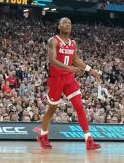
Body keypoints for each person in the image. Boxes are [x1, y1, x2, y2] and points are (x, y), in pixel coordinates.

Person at [37, 17, 102, 151]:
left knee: (79, 106)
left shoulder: (73, 43)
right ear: (58, 26)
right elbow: (53, 61)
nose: (68, 25)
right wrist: (70, 68)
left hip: (69, 79)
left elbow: (75, 59)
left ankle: (89, 140)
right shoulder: (53, 41)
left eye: (70, 23)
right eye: (64, 23)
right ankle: (43, 135)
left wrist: (91, 70)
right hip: (55, 79)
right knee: (52, 109)